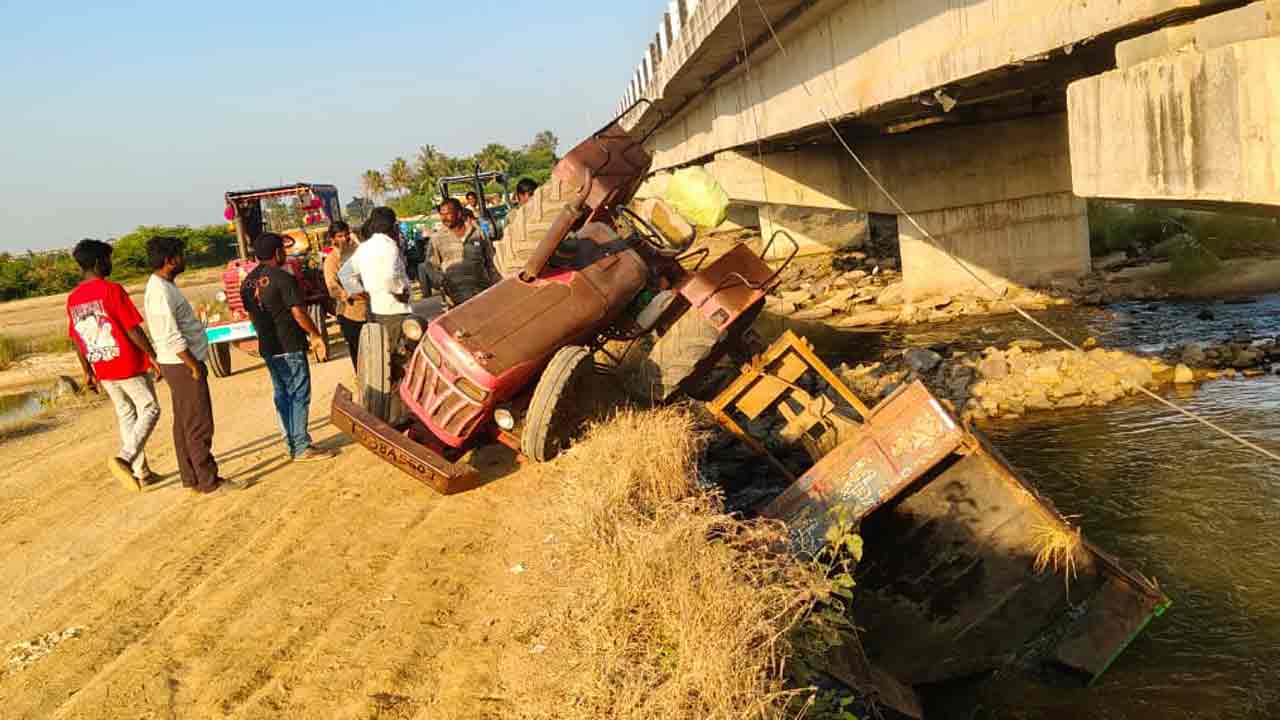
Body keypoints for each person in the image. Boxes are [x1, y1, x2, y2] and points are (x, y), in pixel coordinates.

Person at [66, 239, 162, 492]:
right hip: (126, 363)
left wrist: (87, 371)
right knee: (150, 408)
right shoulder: (111, 290)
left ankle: (141, 472)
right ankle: (125, 458)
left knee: (126, 413)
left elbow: (77, 339)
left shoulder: (73, 298)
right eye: (108, 259)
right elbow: (132, 329)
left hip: (101, 365)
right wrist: (153, 355)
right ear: (98, 262)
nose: (110, 264)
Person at [241, 233, 337, 463]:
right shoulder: (283, 278)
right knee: (298, 395)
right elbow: (298, 312)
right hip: (289, 344)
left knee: (282, 395)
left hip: (269, 347)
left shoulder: (246, 284)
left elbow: (253, 317)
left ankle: (291, 442)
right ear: (277, 253)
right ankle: (302, 446)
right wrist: (315, 335)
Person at [144, 236, 225, 494]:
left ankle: (192, 477)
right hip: (181, 363)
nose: (184, 259)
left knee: (185, 423)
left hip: (178, 362)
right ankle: (208, 480)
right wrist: (193, 365)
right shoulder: (159, 291)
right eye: (181, 255)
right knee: (199, 423)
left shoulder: (165, 286)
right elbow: (169, 334)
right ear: (170, 260)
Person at [350, 206, 413, 331]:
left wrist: (363, 295)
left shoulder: (363, 247)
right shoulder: (389, 246)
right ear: (393, 225)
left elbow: (346, 275)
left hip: (375, 309)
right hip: (395, 310)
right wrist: (399, 293)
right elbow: (390, 277)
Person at [427, 197, 498, 307]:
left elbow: (491, 261)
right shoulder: (437, 239)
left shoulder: (477, 233)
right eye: (442, 214)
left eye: (448, 214)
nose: (444, 218)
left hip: (482, 294)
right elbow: (430, 266)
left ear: (459, 214)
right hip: (455, 300)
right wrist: (441, 282)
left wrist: (496, 285)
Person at [322, 221, 369, 370]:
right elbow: (332, 286)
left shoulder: (358, 251)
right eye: (340, 236)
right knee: (359, 354)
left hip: (370, 309)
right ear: (333, 239)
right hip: (350, 313)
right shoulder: (331, 260)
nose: (344, 239)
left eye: (346, 235)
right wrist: (349, 294)